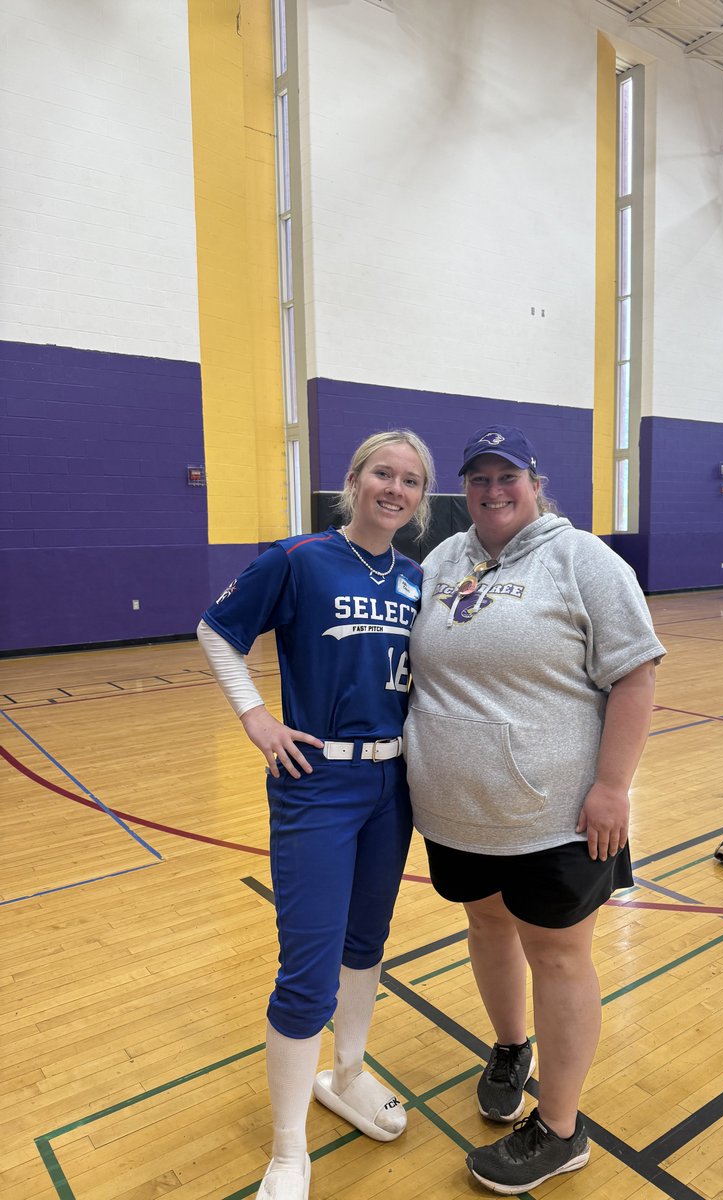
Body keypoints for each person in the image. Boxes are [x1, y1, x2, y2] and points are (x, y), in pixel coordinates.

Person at [403, 425, 665, 1195]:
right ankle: (511, 1047)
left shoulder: (582, 560)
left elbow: (636, 677)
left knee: (556, 955)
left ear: (535, 481)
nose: (492, 489)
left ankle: (560, 1128)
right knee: (485, 925)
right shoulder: (445, 559)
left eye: (506, 475)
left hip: (555, 816)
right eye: (477, 477)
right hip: (456, 810)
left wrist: (613, 788)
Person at [197, 430, 434, 1200]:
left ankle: (351, 1074)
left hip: (392, 786)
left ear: (422, 499)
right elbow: (216, 630)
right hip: (316, 783)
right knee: (307, 974)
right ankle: (288, 1149)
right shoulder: (299, 558)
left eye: (410, 480)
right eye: (381, 473)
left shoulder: (417, 579)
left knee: (366, 945)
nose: (393, 488)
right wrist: (256, 717)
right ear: (354, 481)